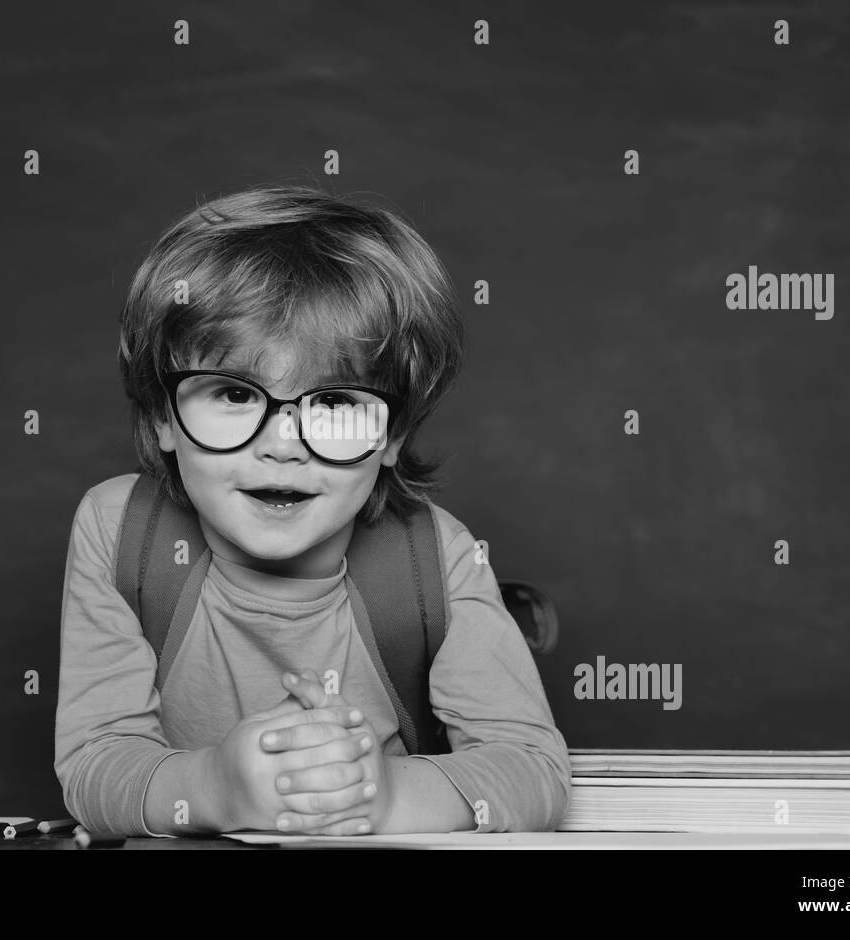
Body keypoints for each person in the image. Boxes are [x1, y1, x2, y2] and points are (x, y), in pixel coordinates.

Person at [54, 183, 571, 837]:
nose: (282, 445)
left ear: (391, 437)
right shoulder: (119, 530)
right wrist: (214, 787)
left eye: (334, 403)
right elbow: (93, 767)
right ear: (164, 415)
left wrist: (384, 795)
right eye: (235, 394)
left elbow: (534, 770)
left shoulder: (435, 557)